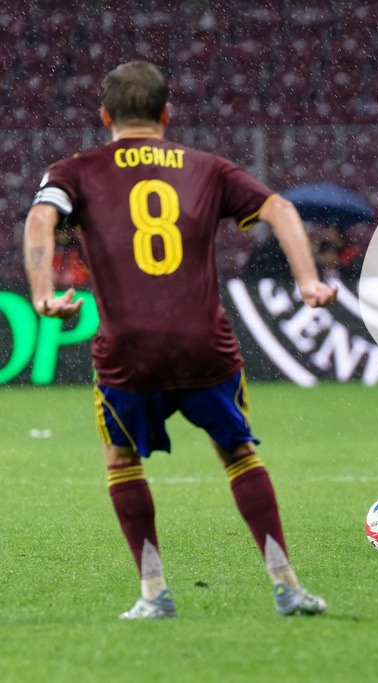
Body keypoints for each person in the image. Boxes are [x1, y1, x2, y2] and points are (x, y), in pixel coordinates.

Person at [22, 61, 337, 618]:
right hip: (203, 346)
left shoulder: (74, 170)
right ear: (166, 115)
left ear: (105, 116)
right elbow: (282, 209)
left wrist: (44, 292)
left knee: (121, 461)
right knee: (238, 453)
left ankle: (153, 592)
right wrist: (309, 280)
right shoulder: (208, 167)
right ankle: (285, 583)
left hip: (128, 349)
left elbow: (41, 221)